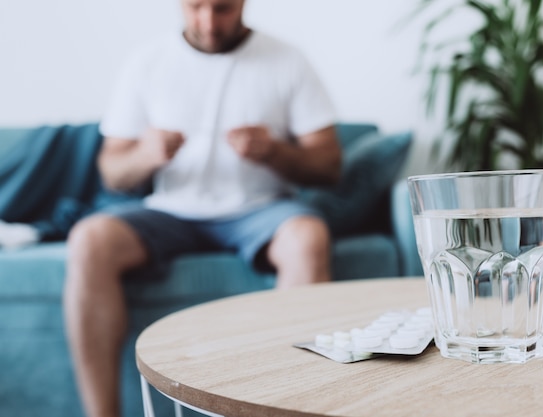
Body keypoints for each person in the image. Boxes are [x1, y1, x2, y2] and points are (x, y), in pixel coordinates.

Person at [62, 0, 341, 416]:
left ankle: (286, 406)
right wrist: (145, 156)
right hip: (169, 212)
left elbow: (329, 165)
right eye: (196, 8)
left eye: (222, 9)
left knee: (308, 238)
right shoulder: (147, 62)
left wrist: (274, 152)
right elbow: (112, 171)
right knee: (88, 239)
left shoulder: (287, 61)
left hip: (260, 211)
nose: (209, 23)